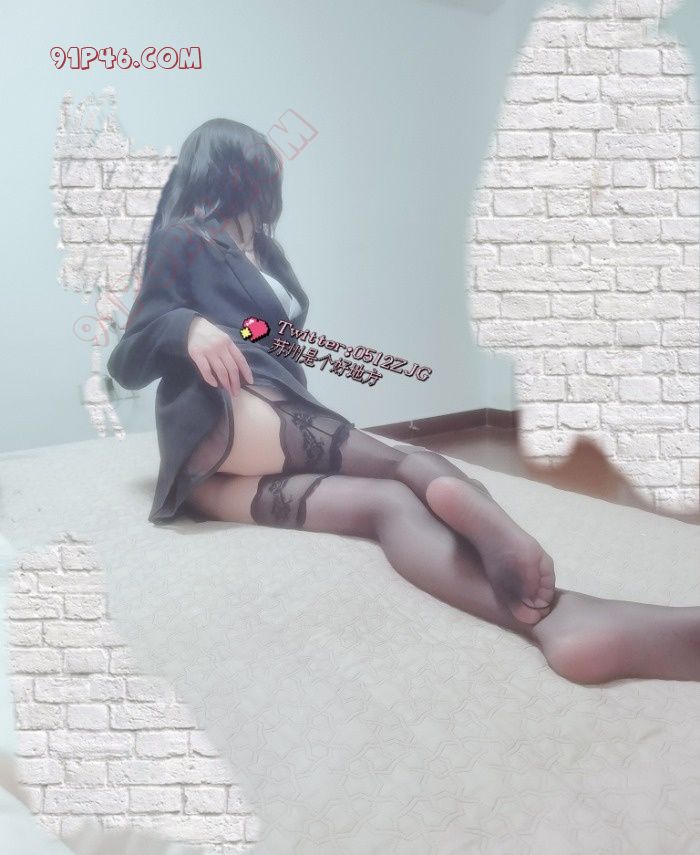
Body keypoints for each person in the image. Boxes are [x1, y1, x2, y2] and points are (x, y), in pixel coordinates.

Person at [107, 118, 700, 687]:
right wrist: (186, 327)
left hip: (231, 468)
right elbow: (127, 359)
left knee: (385, 505)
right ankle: (501, 534)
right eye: (259, 166)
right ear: (224, 170)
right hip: (221, 421)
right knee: (406, 464)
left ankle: (559, 621)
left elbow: (268, 339)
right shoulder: (184, 238)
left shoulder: (262, 249)